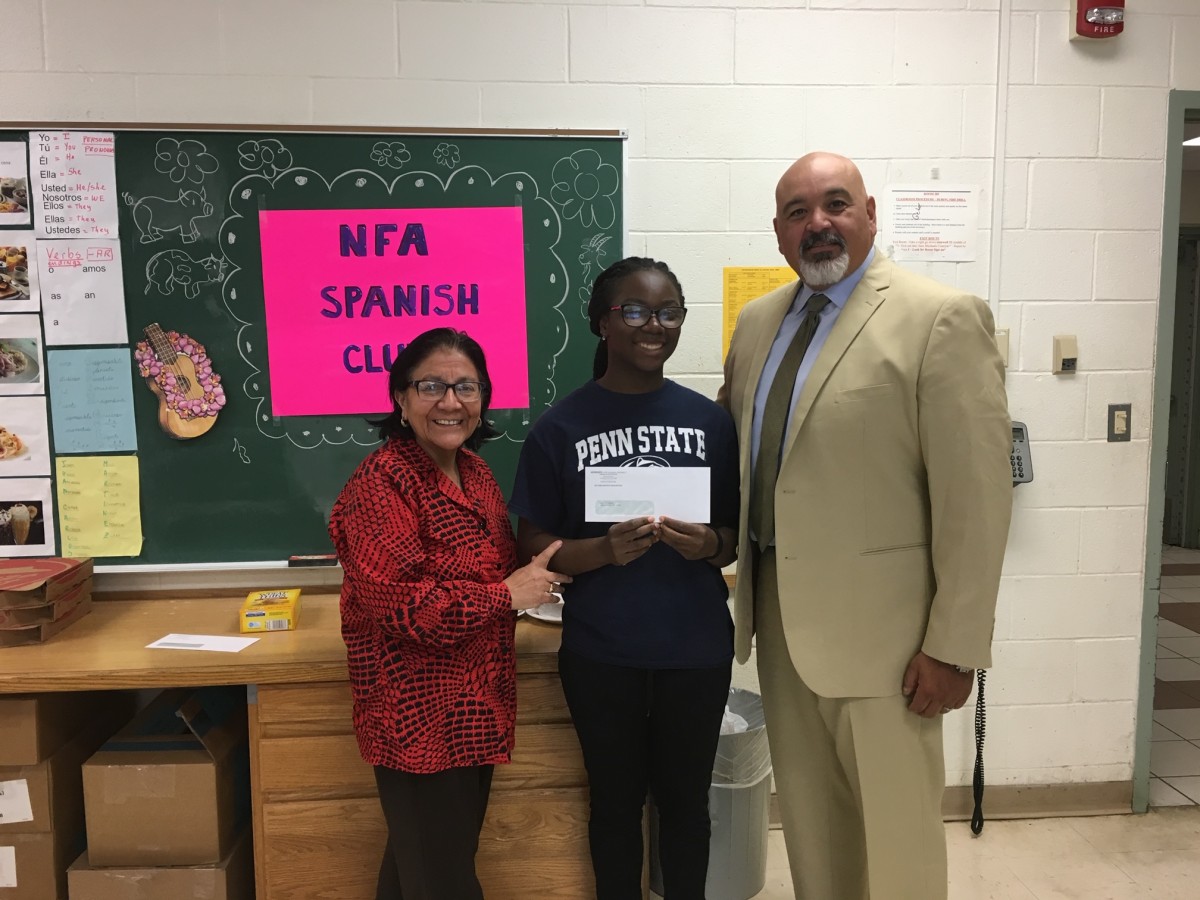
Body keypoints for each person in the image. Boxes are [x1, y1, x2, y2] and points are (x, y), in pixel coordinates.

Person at [717, 153, 1012, 899]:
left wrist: (955, 646)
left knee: (898, 845)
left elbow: (977, 498)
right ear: (779, 234)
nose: (817, 224)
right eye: (797, 212)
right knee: (815, 837)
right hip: (782, 628)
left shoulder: (939, 316)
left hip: (893, 646)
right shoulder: (756, 326)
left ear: (870, 214)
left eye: (835, 204)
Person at [509, 257, 740, 900]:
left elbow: (732, 537)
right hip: (601, 651)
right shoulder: (560, 427)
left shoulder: (711, 424)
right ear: (601, 323)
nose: (652, 325)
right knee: (613, 804)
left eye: (668, 312)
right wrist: (602, 552)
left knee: (687, 807)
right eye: (633, 311)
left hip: (694, 648)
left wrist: (709, 544)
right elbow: (532, 544)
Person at [329, 327, 571, 900]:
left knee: (426, 865)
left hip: (475, 711)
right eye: (432, 385)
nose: (451, 401)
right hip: (415, 717)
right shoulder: (381, 483)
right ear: (401, 398)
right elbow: (404, 607)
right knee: (444, 877)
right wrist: (505, 595)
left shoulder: (478, 474)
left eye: (466, 386)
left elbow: (499, 572)